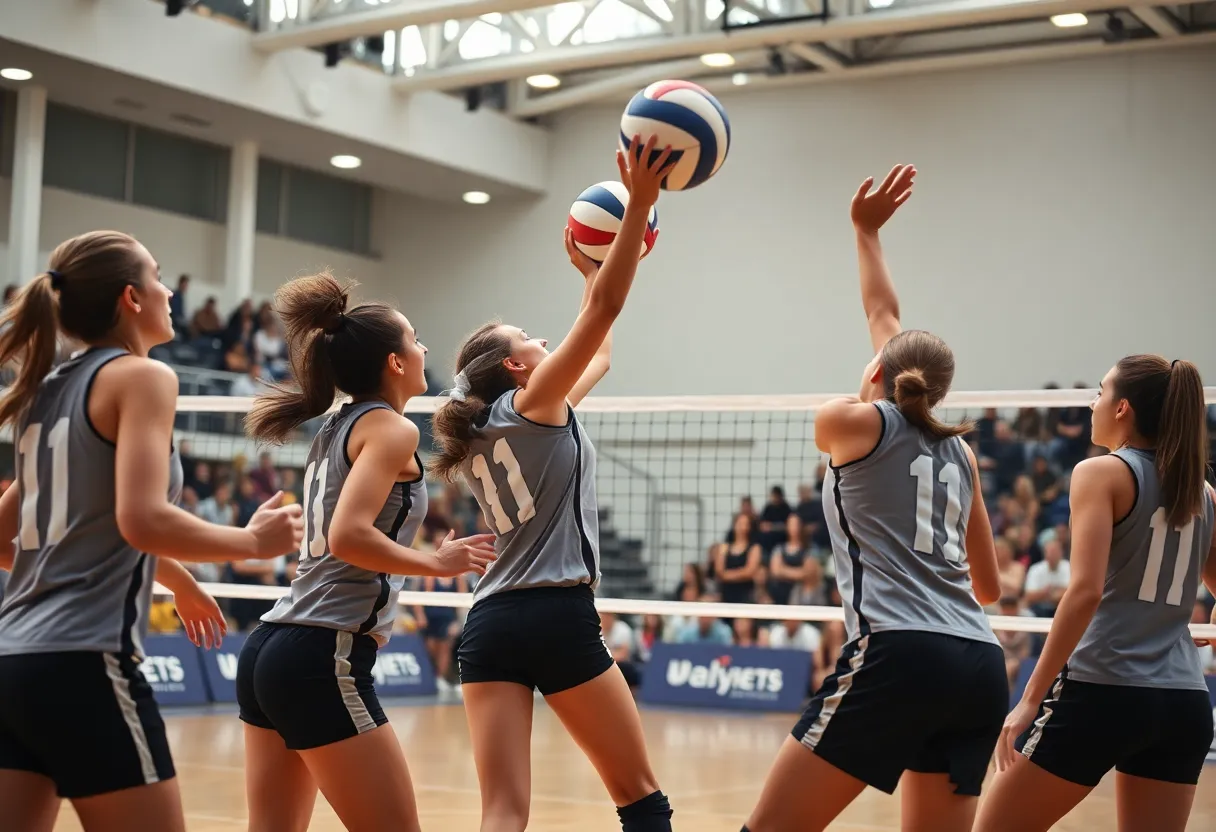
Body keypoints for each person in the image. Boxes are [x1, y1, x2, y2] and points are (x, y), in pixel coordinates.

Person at [0, 230, 304, 832]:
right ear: (132, 299)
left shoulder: (45, 390)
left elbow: (18, 535)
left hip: (13, 660)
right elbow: (139, 519)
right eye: (159, 276)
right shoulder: (144, 377)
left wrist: (179, 579)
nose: (170, 291)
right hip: (87, 661)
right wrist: (252, 543)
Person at [742, 165, 1004, 832]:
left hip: (898, 652)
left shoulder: (852, 421)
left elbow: (878, 339)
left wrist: (863, 231)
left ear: (880, 373)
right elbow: (991, 586)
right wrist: (866, 235)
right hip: (978, 662)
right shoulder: (961, 450)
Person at [430, 135, 677, 832]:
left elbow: (596, 347)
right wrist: (639, 213)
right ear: (515, 367)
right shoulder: (536, 405)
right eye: (531, 337)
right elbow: (603, 322)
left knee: (503, 814)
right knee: (640, 796)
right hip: (555, 615)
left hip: (488, 624)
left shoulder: (487, 424)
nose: (545, 340)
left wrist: (590, 268)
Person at [237, 274, 496, 832]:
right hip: (321, 654)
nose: (425, 348)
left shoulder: (336, 423)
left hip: (271, 646)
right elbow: (348, 536)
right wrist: (437, 564)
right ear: (395, 363)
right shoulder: (392, 429)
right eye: (416, 338)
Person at [975, 356, 1215, 832]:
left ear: (1123, 408)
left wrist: (1029, 697)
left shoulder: (1099, 473)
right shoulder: (1204, 493)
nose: (1092, 402)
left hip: (1103, 690)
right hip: (1184, 701)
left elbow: (1083, 593)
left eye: (1100, 392)